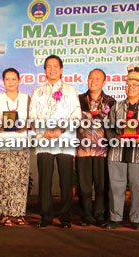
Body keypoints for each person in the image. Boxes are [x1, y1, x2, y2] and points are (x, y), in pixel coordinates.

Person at [29, 55, 81, 229]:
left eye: (55, 66)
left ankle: (65, 218)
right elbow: (32, 116)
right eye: (48, 66)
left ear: (61, 69)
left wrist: (60, 130)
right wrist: (44, 131)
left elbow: (76, 115)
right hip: (43, 140)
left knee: (66, 181)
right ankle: (46, 217)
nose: (52, 69)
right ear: (44, 70)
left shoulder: (70, 90)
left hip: (64, 140)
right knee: (45, 180)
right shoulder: (38, 91)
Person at [106, 64, 139, 230]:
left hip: (138, 154)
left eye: (135, 85)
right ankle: (115, 218)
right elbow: (108, 127)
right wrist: (115, 137)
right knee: (116, 187)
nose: (131, 88)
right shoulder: (116, 107)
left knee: (137, 187)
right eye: (128, 85)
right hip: (117, 153)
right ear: (125, 88)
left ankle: (136, 219)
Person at [0, 68, 31, 226]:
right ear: (3, 81)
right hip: (3, 144)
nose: (11, 82)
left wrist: (24, 125)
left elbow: (32, 119)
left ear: (19, 80)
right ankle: (5, 214)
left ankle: (19, 213)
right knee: (3, 180)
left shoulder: (26, 99)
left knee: (20, 179)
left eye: (14, 79)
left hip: (20, 144)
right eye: (8, 79)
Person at [76, 68, 116, 228]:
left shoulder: (110, 102)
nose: (93, 80)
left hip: (102, 150)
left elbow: (114, 127)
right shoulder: (78, 100)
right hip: (82, 149)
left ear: (104, 82)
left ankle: (100, 216)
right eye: (91, 77)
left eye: (97, 78)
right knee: (84, 186)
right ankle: (86, 215)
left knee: (101, 185)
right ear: (87, 80)